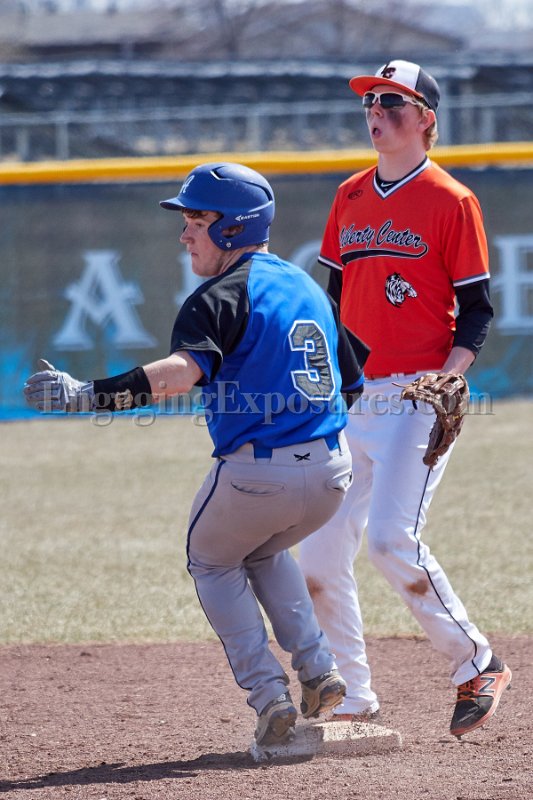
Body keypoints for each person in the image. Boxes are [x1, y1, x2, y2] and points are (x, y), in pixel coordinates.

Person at [24, 162, 367, 750]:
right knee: (261, 550)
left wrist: (88, 395)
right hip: (334, 472)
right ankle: (319, 669)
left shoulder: (219, 295)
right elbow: (353, 383)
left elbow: (180, 374)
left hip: (261, 474)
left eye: (196, 220)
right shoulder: (308, 286)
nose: (184, 235)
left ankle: (270, 697)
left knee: (210, 559)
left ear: (233, 227)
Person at [298, 61, 511, 738]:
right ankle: (352, 694)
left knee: (392, 540)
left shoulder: (451, 200)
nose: (377, 112)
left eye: (393, 102)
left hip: (419, 392)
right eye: (371, 102)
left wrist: (452, 373)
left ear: (425, 119)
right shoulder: (350, 195)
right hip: (353, 398)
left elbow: (476, 309)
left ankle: (477, 663)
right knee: (318, 555)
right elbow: (329, 301)